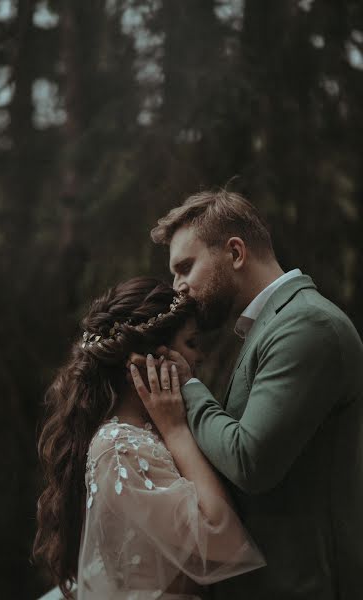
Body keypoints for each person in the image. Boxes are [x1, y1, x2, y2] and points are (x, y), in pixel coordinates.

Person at [129, 190, 363, 600]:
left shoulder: (307, 324)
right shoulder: (273, 326)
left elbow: (249, 460)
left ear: (235, 252)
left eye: (185, 268)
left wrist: (186, 388)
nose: (178, 288)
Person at [33, 277, 265, 600]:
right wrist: (176, 431)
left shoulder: (148, 432)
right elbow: (223, 541)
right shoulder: (119, 446)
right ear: (153, 359)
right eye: (192, 343)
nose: (200, 358)